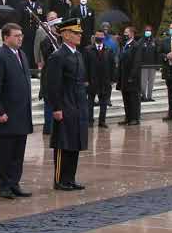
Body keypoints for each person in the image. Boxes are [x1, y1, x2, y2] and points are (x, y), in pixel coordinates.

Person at [0, 23, 33, 200]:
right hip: (7, 113)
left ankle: (15, 182)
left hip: (22, 112)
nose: (20, 38)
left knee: (18, 151)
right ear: (6, 37)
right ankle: (4, 184)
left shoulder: (21, 54)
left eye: (21, 35)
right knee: (6, 151)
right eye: (16, 35)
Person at [47, 18, 87, 191]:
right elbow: (53, 85)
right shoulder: (58, 56)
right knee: (63, 143)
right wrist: (56, 107)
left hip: (78, 104)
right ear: (65, 34)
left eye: (79, 33)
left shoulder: (77, 54)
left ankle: (70, 178)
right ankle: (60, 179)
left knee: (74, 142)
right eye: (75, 33)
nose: (79, 36)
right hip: (64, 104)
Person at [83, 29, 116, 128]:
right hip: (92, 80)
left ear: (103, 38)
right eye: (97, 36)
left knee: (104, 103)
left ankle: (102, 121)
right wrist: (85, 80)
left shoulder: (108, 50)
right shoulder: (88, 50)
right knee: (90, 102)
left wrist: (112, 79)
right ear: (94, 37)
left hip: (105, 81)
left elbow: (112, 66)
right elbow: (85, 66)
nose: (99, 38)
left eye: (101, 36)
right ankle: (90, 121)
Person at [39, 15, 62, 135]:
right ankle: (48, 128)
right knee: (48, 103)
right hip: (48, 76)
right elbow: (47, 57)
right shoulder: (46, 41)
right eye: (56, 27)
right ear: (52, 28)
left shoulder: (59, 40)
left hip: (57, 76)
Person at [16, 0, 46, 72]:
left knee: (36, 51)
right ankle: (26, 70)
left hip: (37, 34)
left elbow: (43, 19)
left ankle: (35, 70)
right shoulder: (22, 5)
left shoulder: (41, 6)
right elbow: (18, 19)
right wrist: (20, 32)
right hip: (26, 33)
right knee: (26, 51)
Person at [117, 26, 141, 126]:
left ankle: (135, 118)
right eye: (124, 32)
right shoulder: (124, 45)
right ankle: (128, 117)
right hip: (123, 76)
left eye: (126, 32)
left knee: (133, 99)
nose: (125, 34)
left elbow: (136, 62)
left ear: (132, 33)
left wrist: (132, 76)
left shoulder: (136, 45)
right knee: (126, 98)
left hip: (132, 78)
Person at [138, 25, 159, 102]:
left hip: (152, 65)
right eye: (146, 30)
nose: (148, 32)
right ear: (144, 31)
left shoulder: (154, 41)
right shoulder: (140, 41)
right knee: (143, 82)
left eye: (149, 30)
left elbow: (157, 53)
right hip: (143, 66)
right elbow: (139, 54)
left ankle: (149, 96)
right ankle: (143, 96)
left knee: (151, 82)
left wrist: (157, 64)